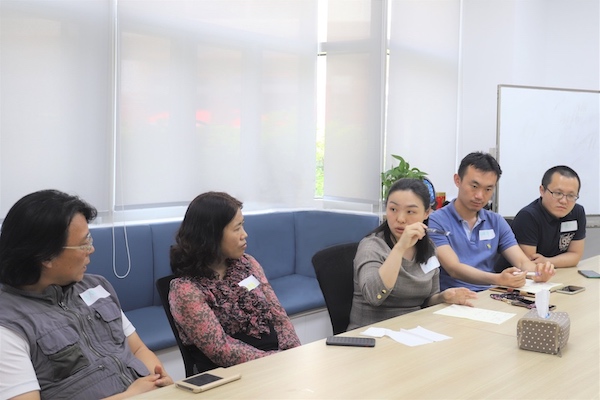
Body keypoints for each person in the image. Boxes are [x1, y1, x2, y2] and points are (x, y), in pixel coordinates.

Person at [0, 189, 173, 400]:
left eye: (89, 238)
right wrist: (131, 396)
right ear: (45, 256)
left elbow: (137, 349)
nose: (91, 250)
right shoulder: (9, 324)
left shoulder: (96, 286)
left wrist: (161, 383)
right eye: (83, 244)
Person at [169, 191, 301, 369]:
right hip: (234, 373)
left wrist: (295, 352)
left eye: (242, 226)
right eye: (237, 228)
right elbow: (222, 350)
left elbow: (278, 315)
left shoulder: (248, 263)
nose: (244, 234)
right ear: (212, 235)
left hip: (275, 362)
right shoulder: (186, 290)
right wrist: (276, 361)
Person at [347, 179, 477, 330]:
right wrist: (400, 248)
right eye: (393, 209)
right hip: (372, 333)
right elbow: (374, 296)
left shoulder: (428, 248)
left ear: (426, 213)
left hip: (413, 330)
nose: (400, 219)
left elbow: (427, 300)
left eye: (410, 212)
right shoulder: (372, 246)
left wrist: (443, 297)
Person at [427, 152, 555, 292]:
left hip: (489, 294)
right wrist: (498, 279)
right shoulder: (436, 221)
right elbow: (454, 268)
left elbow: (521, 261)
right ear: (457, 180)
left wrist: (538, 272)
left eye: (488, 189)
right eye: (474, 186)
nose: (480, 196)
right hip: (454, 297)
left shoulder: (496, 221)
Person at [502, 166, 585, 269]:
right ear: (542, 190)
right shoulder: (528, 216)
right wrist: (551, 262)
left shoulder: (577, 212)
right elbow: (530, 264)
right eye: (558, 193)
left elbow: (575, 255)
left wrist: (547, 261)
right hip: (523, 276)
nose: (564, 201)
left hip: (555, 271)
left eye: (571, 196)